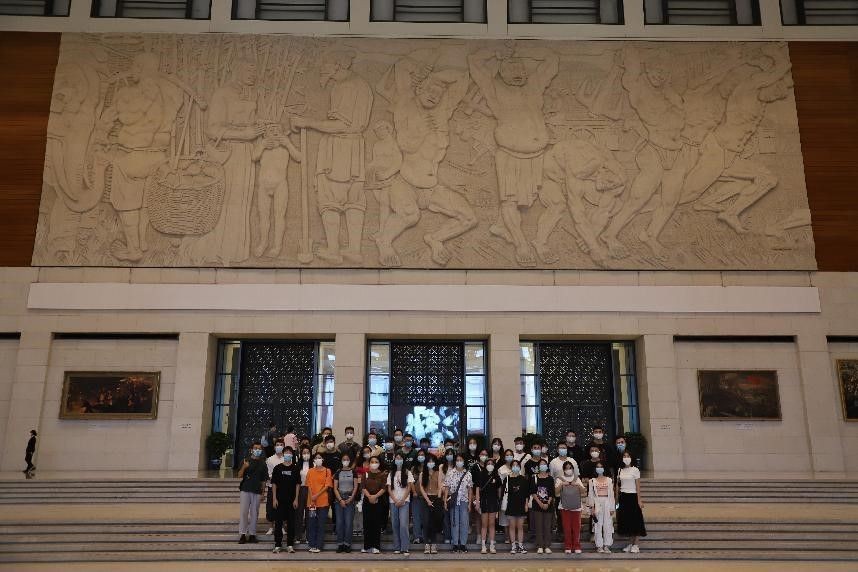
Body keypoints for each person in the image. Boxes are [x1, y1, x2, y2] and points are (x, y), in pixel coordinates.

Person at [237, 442, 268, 544]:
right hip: (245, 489)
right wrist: (244, 467)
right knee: (244, 512)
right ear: (251, 450)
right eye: (255, 448)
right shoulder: (246, 460)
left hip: (257, 490)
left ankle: (252, 535)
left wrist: (263, 493)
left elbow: (264, 480)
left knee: (255, 513)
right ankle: (242, 534)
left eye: (259, 449)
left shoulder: (263, 463)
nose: (257, 450)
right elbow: (239, 475)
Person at [270, 446, 300, 554]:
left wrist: (296, 499)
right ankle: (277, 545)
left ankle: (290, 545)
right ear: (283, 454)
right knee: (278, 523)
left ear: (292, 455)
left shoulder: (295, 468)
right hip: (279, 500)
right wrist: (274, 498)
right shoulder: (277, 468)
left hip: (291, 500)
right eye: (286, 452)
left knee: (291, 523)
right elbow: (274, 484)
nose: (288, 454)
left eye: (289, 452)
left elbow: (297, 484)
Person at [616, 451, 646, 553]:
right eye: (624, 456)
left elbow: (638, 486)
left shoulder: (635, 470)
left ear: (631, 457)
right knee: (627, 521)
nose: (626, 458)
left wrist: (639, 500)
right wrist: (616, 500)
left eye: (628, 456)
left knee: (636, 521)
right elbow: (618, 485)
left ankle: (636, 544)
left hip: (633, 497)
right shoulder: (620, 470)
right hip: (623, 497)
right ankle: (630, 543)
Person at [443, 453, 474, 553]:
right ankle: (455, 544)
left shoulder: (468, 474)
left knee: (464, 523)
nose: (459, 462)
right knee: (454, 522)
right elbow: (447, 487)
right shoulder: (450, 473)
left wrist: (470, 503)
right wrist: (445, 501)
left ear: (464, 461)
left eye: (461, 460)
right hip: (453, 501)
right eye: (457, 460)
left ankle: (463, 544)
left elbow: (470, 489)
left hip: (464, 501)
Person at [387, 452, 415, 555]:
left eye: (400, 458)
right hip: (393, 501)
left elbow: (409, 488)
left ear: (403, 460)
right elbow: (389, 489)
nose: (398, 460)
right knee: (395, 524)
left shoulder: (407, 472)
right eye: (397, 458)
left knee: (403, 524)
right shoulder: (391, 473)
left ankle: (405, 547)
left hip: (404, 502)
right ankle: (397, 547)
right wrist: (395, 500)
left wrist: (402, 500)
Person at [417, 453, 445, 554]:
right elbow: (421, 488)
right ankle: (426, 544)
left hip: (436, 498)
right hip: (425, 499)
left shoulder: (438, 473)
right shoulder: (422, 474)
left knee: (434, 522)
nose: (431, 463)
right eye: (429, 461)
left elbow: (440, 486)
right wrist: (427, 500)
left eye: (432, 461)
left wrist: (438, 498)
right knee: (425, 522)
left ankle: (433, 544)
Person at [556, 460, 586, 554]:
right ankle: (568, 546)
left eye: (570, 468)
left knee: (576, 528)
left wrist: (577, 484)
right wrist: (561, 484)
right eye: (566, 468)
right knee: (567, 528)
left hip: (577, 507)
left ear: (573, 469)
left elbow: (583, 491)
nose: (568, 470)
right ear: (563, 470)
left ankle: (577, 546)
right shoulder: (560, 479)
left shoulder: (577, 478)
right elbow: (556, 492)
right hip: (564, 507)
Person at [305, 452, 333, 553]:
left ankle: (319, 545)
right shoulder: (310, 471)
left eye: (320, 457)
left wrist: (316, 495)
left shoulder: (327, 471)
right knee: (311, 523)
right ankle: (312, 544)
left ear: (323, 459)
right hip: (311, 502)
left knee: (321, 524)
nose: (318, 459)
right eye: (316, 458)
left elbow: (327, 485)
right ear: (314, 460)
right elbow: (308, 485)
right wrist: (312, 496)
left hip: (323, 502)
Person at [475, 456, 503, 554]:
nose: (490, 465)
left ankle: (491, 545)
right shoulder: (481, 475)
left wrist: (499, 501)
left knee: (492, 524)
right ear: (485, 465)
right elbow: (477, 489)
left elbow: (499, 489)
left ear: (494, 466)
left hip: (493, 502)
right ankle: (483, 546)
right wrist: (477, 502)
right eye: (488, 464)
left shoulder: (497, 476)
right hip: (484, 501)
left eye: (492, 464)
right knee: (484, 524)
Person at [361, 456, 388, 554]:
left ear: (379, 464)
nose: (374, 463)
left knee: (376, 524)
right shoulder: (365, 474)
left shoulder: (382, 475)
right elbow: (363, 487)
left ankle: (376, 546)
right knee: (367, 523)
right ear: (369, 464)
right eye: (372, 462)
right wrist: (369, 496)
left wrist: (375, 496)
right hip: (367, 500)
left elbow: (384, 488)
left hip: (379, 500)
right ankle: (367, 546)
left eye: (376, 462)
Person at [588, 462, 615, 554]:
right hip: (597, 503)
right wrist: (592, 507)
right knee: (597, 525)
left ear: (604, 468)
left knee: (608, 525)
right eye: (597, 467)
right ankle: (599, 546)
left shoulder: (609, 480)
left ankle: (607, 545)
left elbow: (612, 494)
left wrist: (612, 508)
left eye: (601, 467)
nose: (599, 468)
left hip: (607, 503)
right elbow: (590, 495)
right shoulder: (592, 481)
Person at [334, 453, 359, 553]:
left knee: (348, 523)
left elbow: (356, 486)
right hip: (339, 499)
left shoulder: (353, 472)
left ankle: (347, 544)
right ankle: (340, 544)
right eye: (344, 459)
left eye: (347, 459)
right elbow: (335, 488)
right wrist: (340, 500)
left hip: (350, 498)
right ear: (341, 461)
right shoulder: (338, 472)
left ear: (350, 461)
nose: (345, 461)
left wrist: (351, 498)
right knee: (339, 523)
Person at [502, 460, 529, 554]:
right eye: (513, 465)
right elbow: (503, 493)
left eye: (517, 465)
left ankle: (520, 546)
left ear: (520, 467)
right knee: (512, 526)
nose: (515, 467)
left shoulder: (523, 479)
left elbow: (526, 494)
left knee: (520, 527)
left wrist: (526, 504)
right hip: (511, 505)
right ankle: (513, 546)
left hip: (521, 505)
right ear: (511, 467)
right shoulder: (507, 479)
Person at [530, 458, 555, 554]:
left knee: (547, 526)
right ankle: (540, 546)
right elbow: (533, 492)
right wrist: (540, 503)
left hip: (548, 505)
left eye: (544, 464)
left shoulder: (550, 478)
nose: (543, 466)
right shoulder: (534, 478)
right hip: (537, 505)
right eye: (541, 464)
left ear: (547, 466)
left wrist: (547, 503)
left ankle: (547, 546)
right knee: (538, 526)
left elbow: (552, 493)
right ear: (538, 466)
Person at [264, 439, 287, 536]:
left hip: (284, 487)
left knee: (283, 507)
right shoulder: (270, 459)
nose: (279, 446)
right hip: (272, 486)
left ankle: (282, 527)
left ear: (284, 447)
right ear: (274, 447)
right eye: (277, 445)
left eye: (281, 445)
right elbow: (269, 474)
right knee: (270, 507)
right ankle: (270, 527)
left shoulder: (287, 458)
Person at [294, 445, 313, 543]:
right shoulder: (298, 465)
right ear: (301, 454)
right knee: (299, 513)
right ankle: (298, 536)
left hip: (311, 490)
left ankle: (308, 536)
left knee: (309, 514)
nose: (306, 455)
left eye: (308, 453)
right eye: (304, 453)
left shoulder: (314, 465)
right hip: (300, 489)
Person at [497, 449, 515, 544]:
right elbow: (499, 485)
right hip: (505, 495)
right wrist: (500, 498)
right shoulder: (501, 469)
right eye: (507, 455)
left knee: (514, 517)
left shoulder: (516, 467)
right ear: (504, 457)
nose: (509, 457)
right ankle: (507, 537)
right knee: (505, 517)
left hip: (515, 496)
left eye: (510, 455)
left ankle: (514, 537)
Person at [412, 448, 428, 544]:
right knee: (416, 517)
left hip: (427, 497)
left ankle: (425, 536)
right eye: (419, 455)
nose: (421, 456)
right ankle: (417, 536)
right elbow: (410, 482)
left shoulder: (428, 468)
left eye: (423, 455)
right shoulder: (414, 468)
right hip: (416, 496)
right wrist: (414, 492)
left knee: (425, 518)